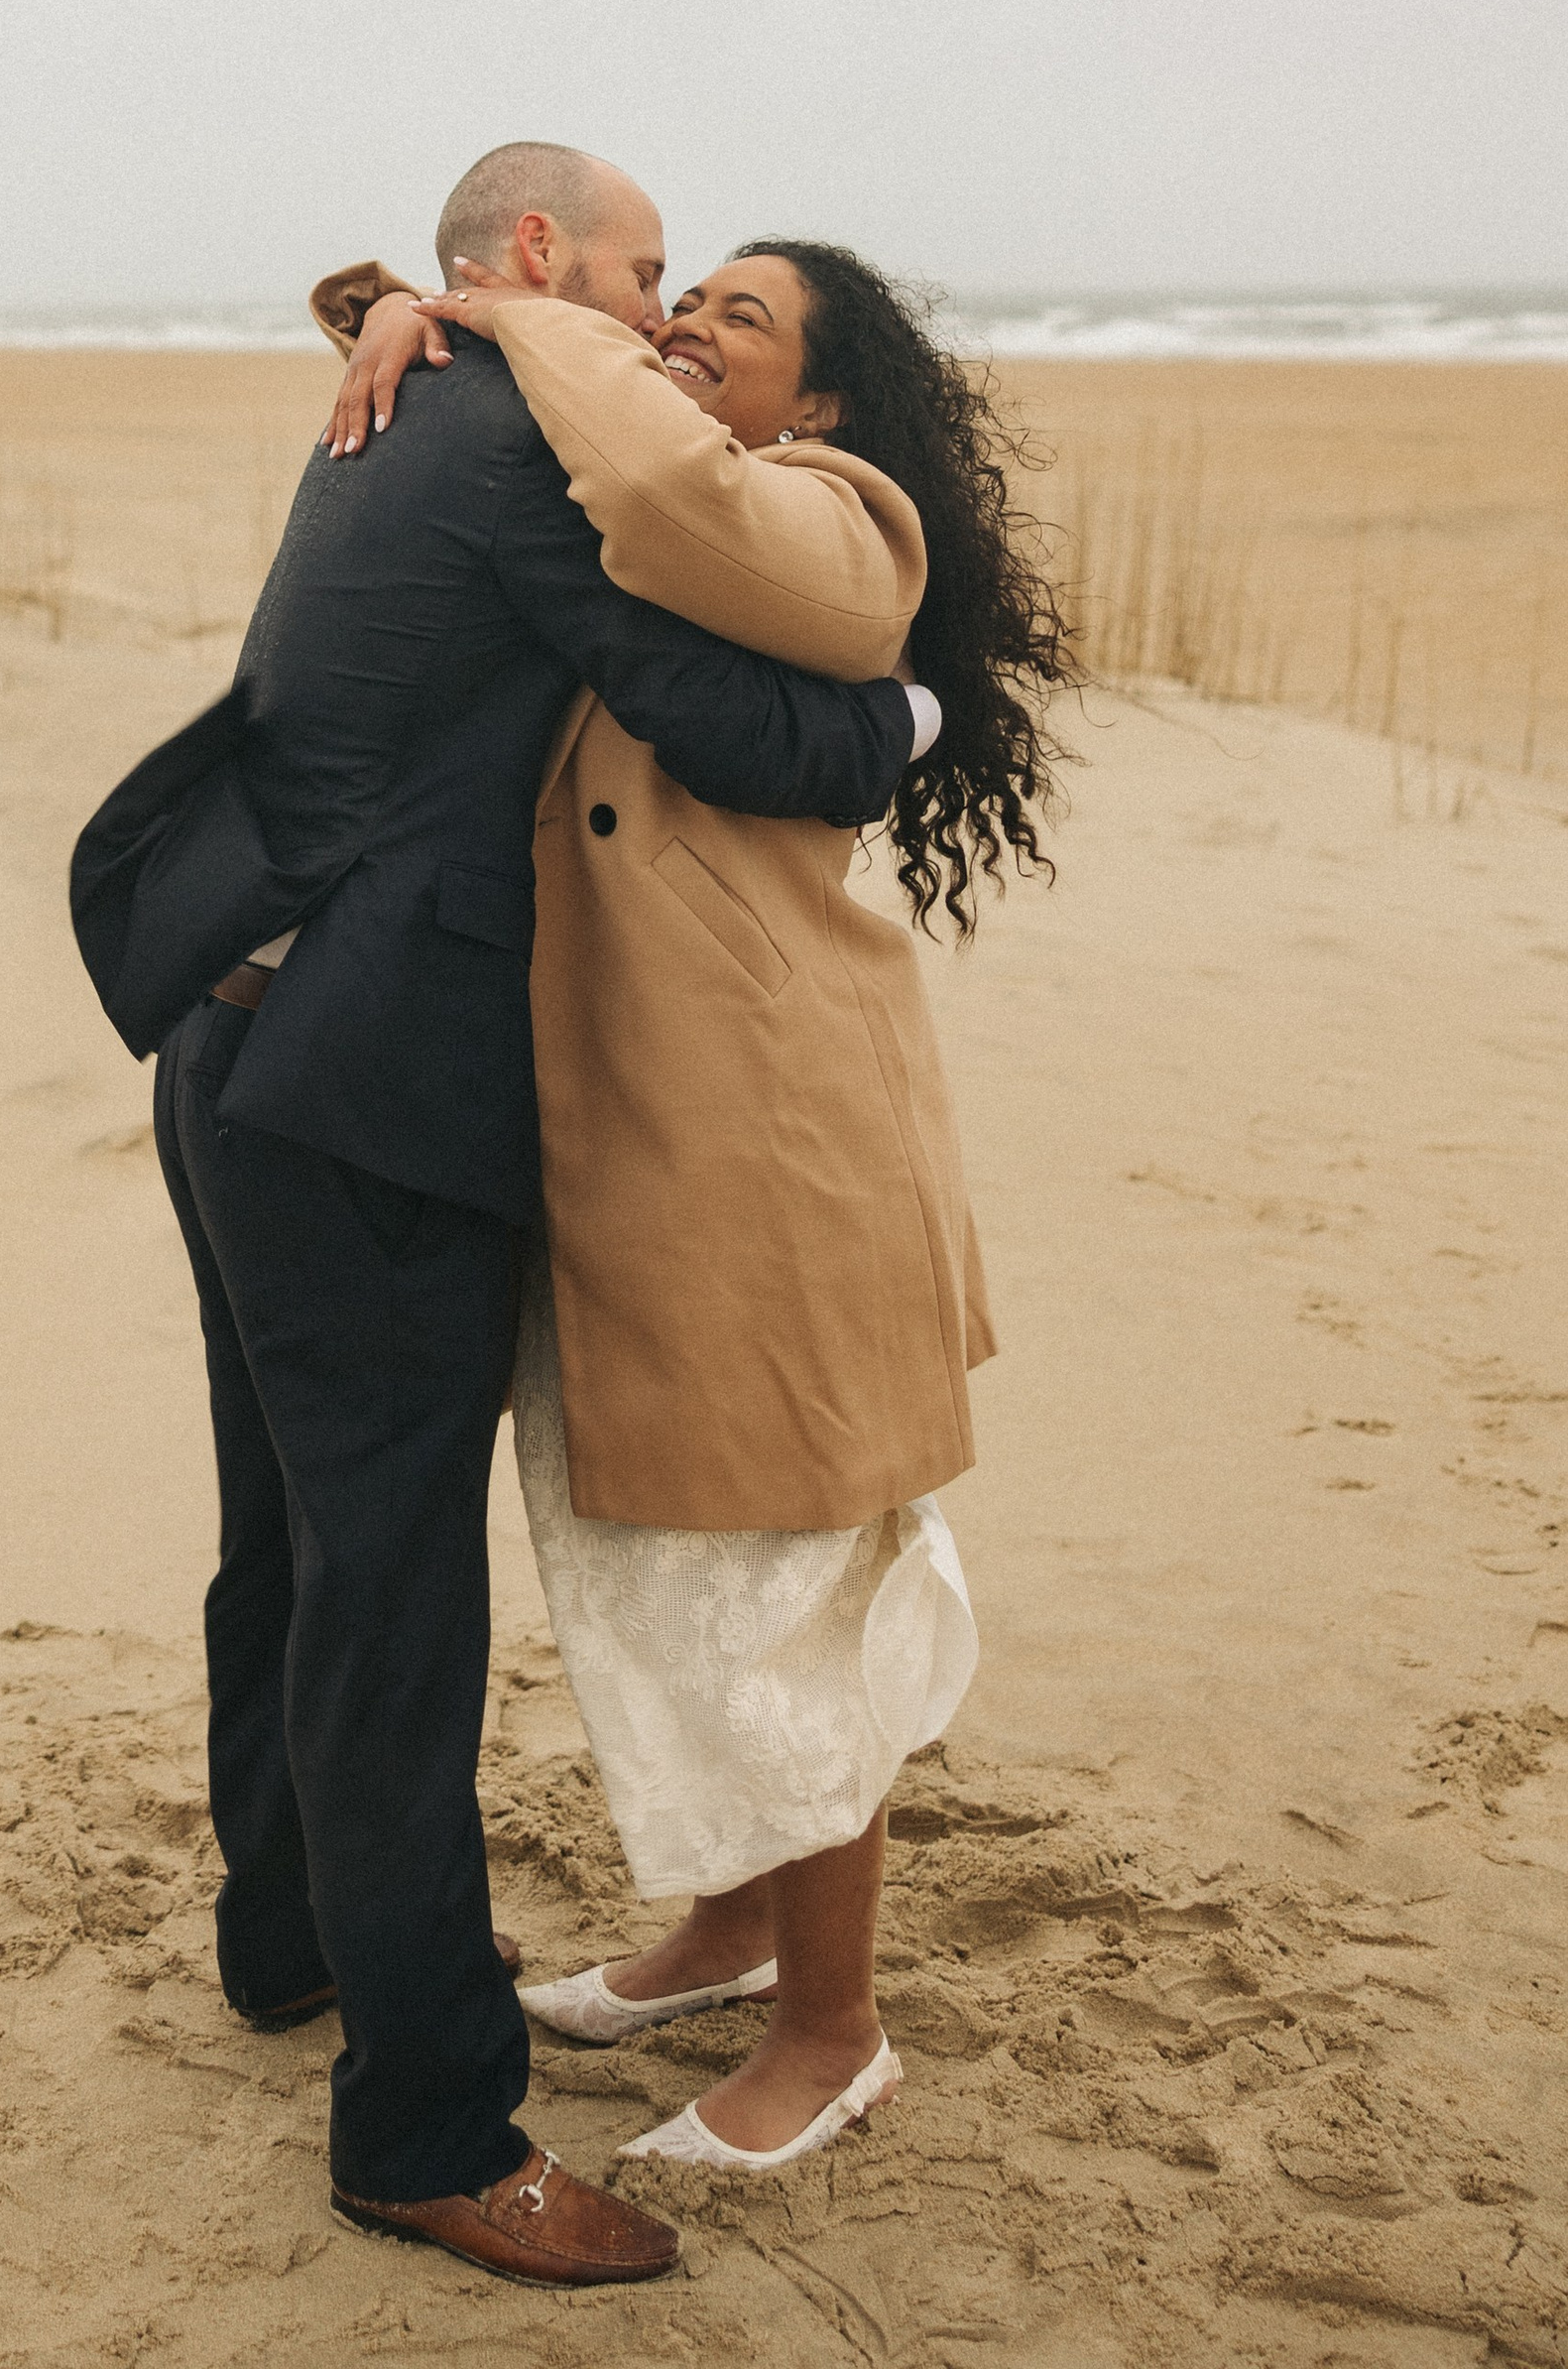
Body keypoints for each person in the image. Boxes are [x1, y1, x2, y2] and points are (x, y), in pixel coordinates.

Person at [69, 145, 926, 2291]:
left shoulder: (406, 388)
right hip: (354, 1087)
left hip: (230, 1030)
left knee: (282, 1536)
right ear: (534, 258)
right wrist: (916, 715)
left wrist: (388, 304)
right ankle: (428, 2132)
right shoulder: (506, 428)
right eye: (641, 272)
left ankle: (285, 1942)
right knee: (385, 1601)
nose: (652, 320)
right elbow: (724, 705)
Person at [313, 231, 1068, 2176]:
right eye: (677, 299)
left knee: (790, 1595)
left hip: (780, 1156)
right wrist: (409, 309)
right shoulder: (662, 504)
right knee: (675, 1585)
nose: (680, 330)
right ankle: (729, 1933)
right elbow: (528, 459)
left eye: (733, 316)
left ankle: (829, 2031)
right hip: (649, 1147)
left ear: (817, 396)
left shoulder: (828, 515)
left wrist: (512, 311)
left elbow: (648, 484)